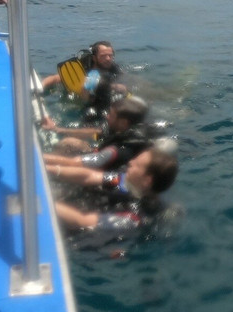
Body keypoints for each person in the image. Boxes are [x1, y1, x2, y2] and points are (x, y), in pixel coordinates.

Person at [49, 140, 179, 235]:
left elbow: (82, 221)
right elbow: (88, 176)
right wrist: (52, 169)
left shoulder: (132, 218)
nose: (130, 162)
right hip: (82, 207)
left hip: (83, 237)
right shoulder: (124, 180)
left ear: (147, 180)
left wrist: (44, 200)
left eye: (137, 165)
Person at [43, 96, 150, 170]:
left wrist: (40, 158)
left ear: (123, 122)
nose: (107, 116)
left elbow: (76, 163)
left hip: (109, 175)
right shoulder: (123, 128)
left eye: (111, 115)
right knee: (69, 143)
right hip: (103, 157)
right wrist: (59, 130)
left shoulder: (118, 150)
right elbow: (96, 132)